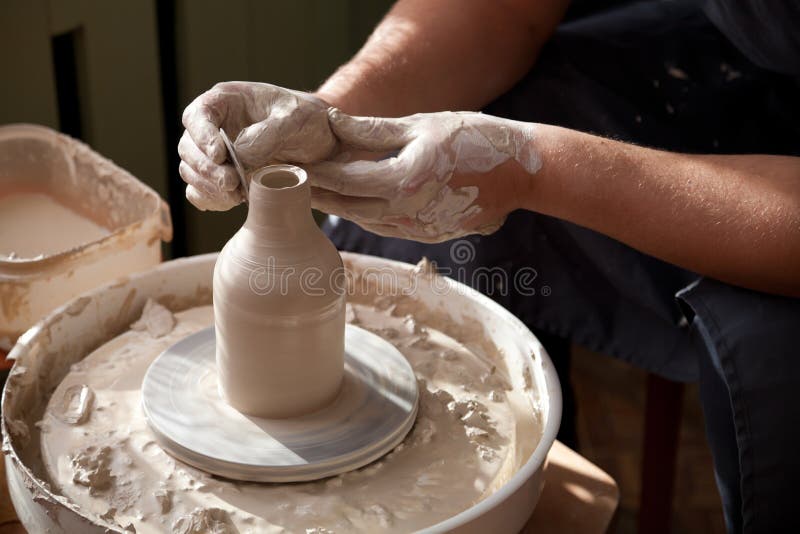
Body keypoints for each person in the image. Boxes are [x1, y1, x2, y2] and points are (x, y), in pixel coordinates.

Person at [177, 0, 799, 531]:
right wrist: (331, 121)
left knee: (768, 365)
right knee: (405, 226)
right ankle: (525, 487)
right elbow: (502, 9)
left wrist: (535, 165)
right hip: (732, 54)